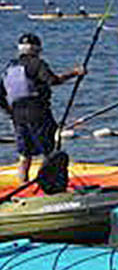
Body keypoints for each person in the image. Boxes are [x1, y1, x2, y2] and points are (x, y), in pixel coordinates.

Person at [0, 33, 84, 187]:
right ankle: (52, 184)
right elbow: (52, 80)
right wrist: (74, 73)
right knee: (49, 151)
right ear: (37, 49)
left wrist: (10, 112)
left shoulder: (10, 67)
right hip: (37, 112)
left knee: (24, 154)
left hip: (17, 115)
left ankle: (22, 184)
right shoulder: (38, 64)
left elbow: (1, 94)